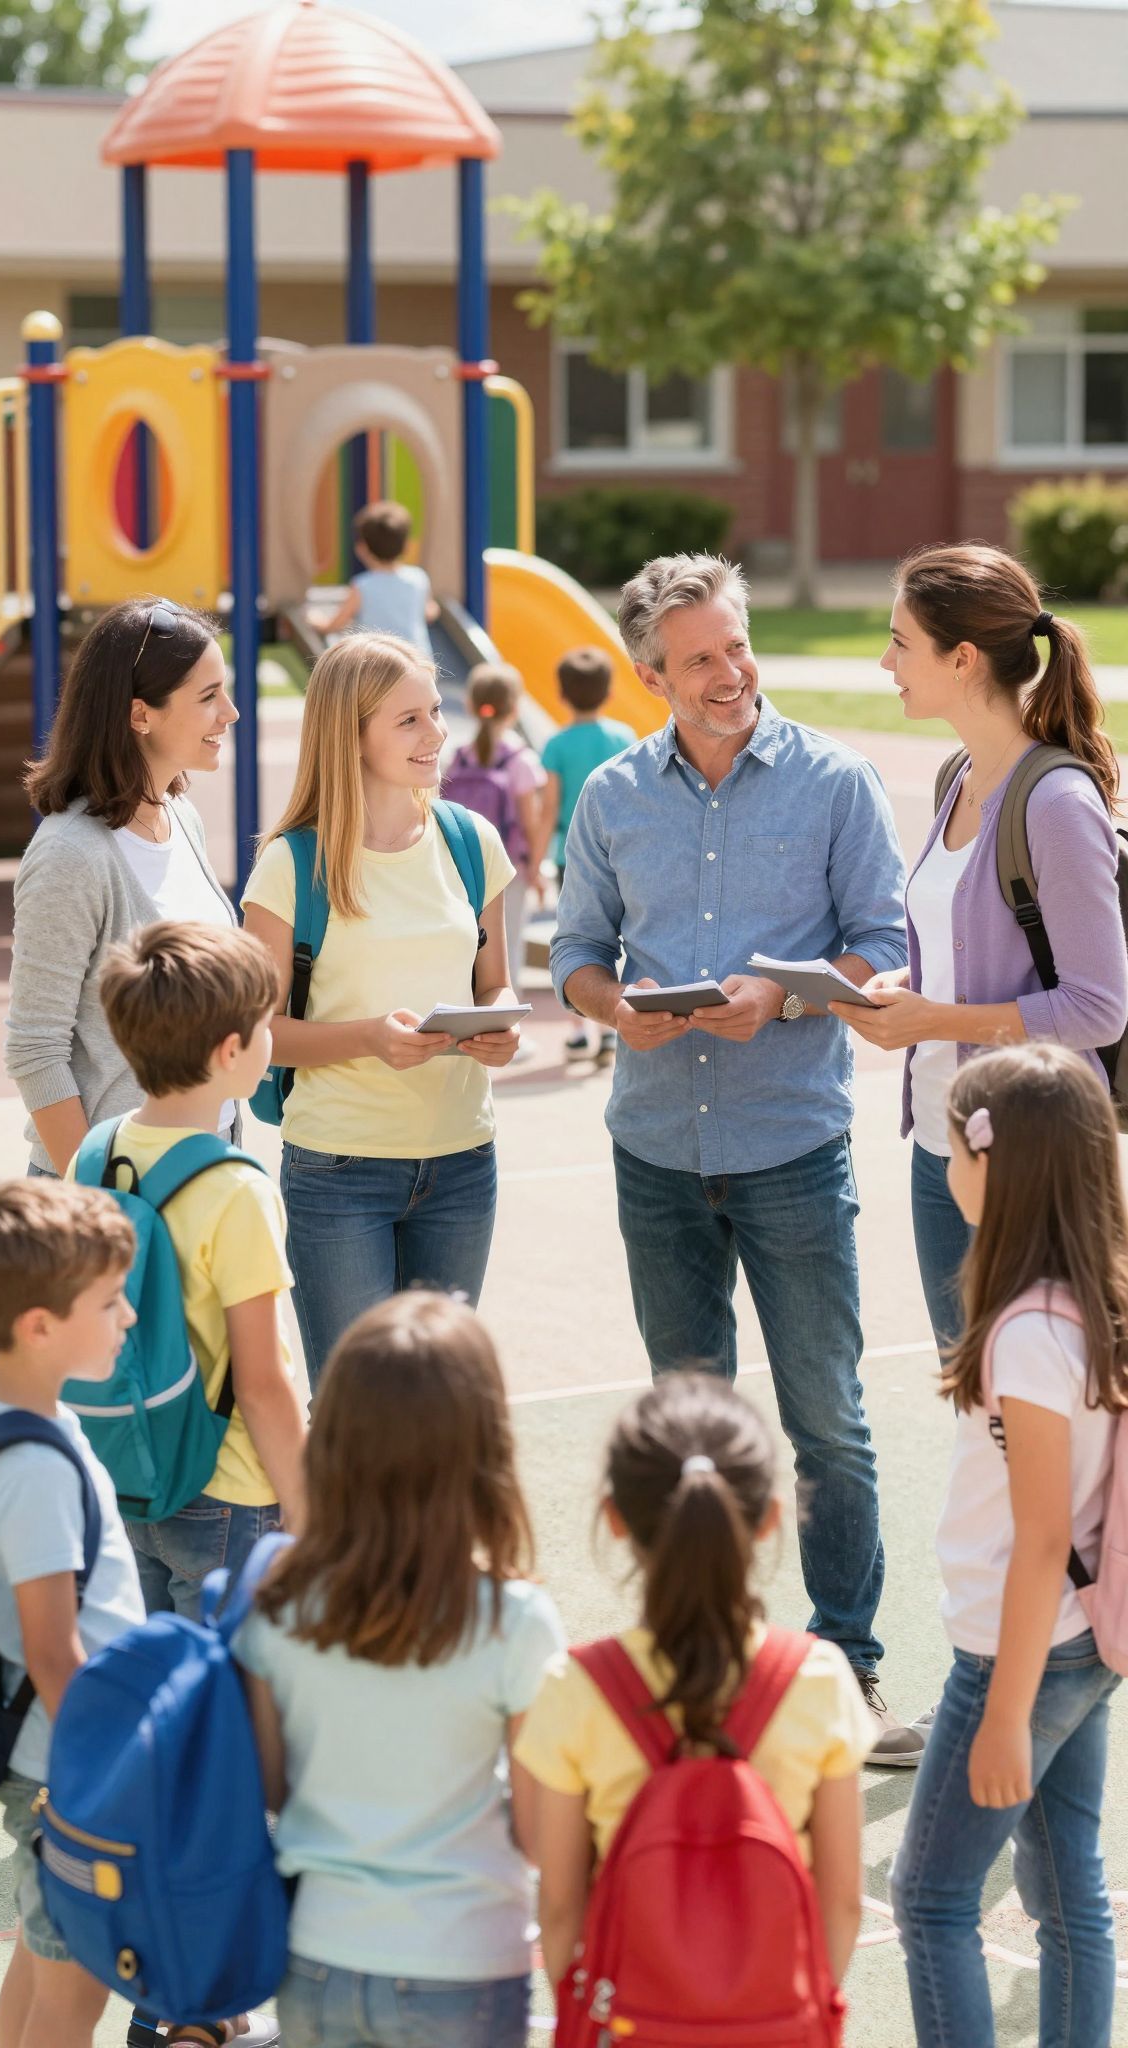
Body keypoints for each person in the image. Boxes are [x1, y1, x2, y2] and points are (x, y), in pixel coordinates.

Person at [550, 552, 915, 1761]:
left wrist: (787, 997)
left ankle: (849, 1663)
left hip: (792, 1149)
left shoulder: (836, 781)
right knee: (687, 1429)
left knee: (829, 1420)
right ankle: (703, 1659)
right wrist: (616, 1008)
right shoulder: (609, 795)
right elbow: (578, 954)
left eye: (739, 645)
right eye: (700, 658)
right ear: (653, 675)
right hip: (654, 1150)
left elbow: (878, 944)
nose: (731, 673)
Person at [235, 1291, 564, 2048]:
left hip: (317, 1957)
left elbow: (271, 1787)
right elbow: (539, 1833)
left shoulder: (277, 1603)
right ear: (481, 1448)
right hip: (467, 1960)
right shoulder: (514, 1621)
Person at [832, 544, 1128, 1357]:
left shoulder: (1058, 802)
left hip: (1032, 1164)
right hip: (943, 1146)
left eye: (900, 641)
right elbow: (973, 951)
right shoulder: (957, 776)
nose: (884, 660)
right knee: (974, 1400)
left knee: (1032, 1412)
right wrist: (909, 988)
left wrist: (935, 1018)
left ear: (961, 659)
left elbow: (1098, 1009)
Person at [891, 1043, 1125, 2048]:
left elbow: (1036, 1540)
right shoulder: (1094, 1301)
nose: (948, 1169)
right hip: (1085, 1637)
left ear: (1001, 1168)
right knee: (1069, 1882)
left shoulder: (1027, 1336)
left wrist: (1004, 1714)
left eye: (956, 1147)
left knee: (932, 1897)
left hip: (1018, 1653)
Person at [513, 1373, 870, 1994]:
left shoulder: (575, 1687)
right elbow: (841, 1903)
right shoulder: (817, 1678)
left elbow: (562, 1906)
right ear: (769, 1521)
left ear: (615, 1520)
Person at [242, 632, 521, 1386]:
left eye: (436, 712)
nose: (438, 734)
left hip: (464, 1159)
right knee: (352, 1409)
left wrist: (497, 1024)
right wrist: (369, 1038)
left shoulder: (472, 843)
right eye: (410, 720)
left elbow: (493, 983)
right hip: (339, 1171)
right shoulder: (289, 866)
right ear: (350, 732)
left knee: (444, 1405)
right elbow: (258, 1037)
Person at [84, 921, 306, 1613]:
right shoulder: (237, 1190)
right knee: (229, 1699)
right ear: (231, 1051)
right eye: (264, 1023)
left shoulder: (95, 1153)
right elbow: (262, 1380)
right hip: (229, 1491)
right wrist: (311, 1510)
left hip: (126, 1469)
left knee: (156, 1683)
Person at [0, 1178, 144, 2048]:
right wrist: (108, 1770)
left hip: (47, 1766)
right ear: (40, 1325)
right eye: (110, 1303)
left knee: (42, 1969)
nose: (128, 1319)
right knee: (73, 1997)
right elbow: (51, 1649)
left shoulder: (8, 1413)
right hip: (65, 1772)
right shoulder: (34, 1470)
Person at [6, 597, 239, 1177]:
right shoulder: (70, 855)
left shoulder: (181, 815)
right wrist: (104, 1199)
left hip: (204, 1173)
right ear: (141, 714)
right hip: (118, 1196)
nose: (230, 713)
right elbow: (36, 1051)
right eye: (208, 697)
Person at [528, 647, 635, 1065]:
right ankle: (611, 1032)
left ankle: (577, 1032)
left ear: (561, 694)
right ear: (608, 693)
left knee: (577, 938)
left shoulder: (555, 744)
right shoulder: (623, 736)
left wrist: (536, 859)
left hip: (570, 857)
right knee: (618, 938)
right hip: (620, 853)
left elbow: (549, 807)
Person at [442, 661, 547, 1021]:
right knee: (507, 947)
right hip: (508, 871)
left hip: (462, 867)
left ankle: (464, 1017)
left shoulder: (456, 757)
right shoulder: (520, 760)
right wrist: (536, 869)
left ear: (470, 706)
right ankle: (505, 1023)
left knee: (465, 946)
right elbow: (530, 822)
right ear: (515, 709)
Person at [322, 500, 438, 656]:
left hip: (379, 663)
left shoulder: (362, 586)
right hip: (417, 659)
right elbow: (430, 611)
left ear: (362, 548)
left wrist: (316, 622)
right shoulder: (418, 578)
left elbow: (337, 624)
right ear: (406, 546)